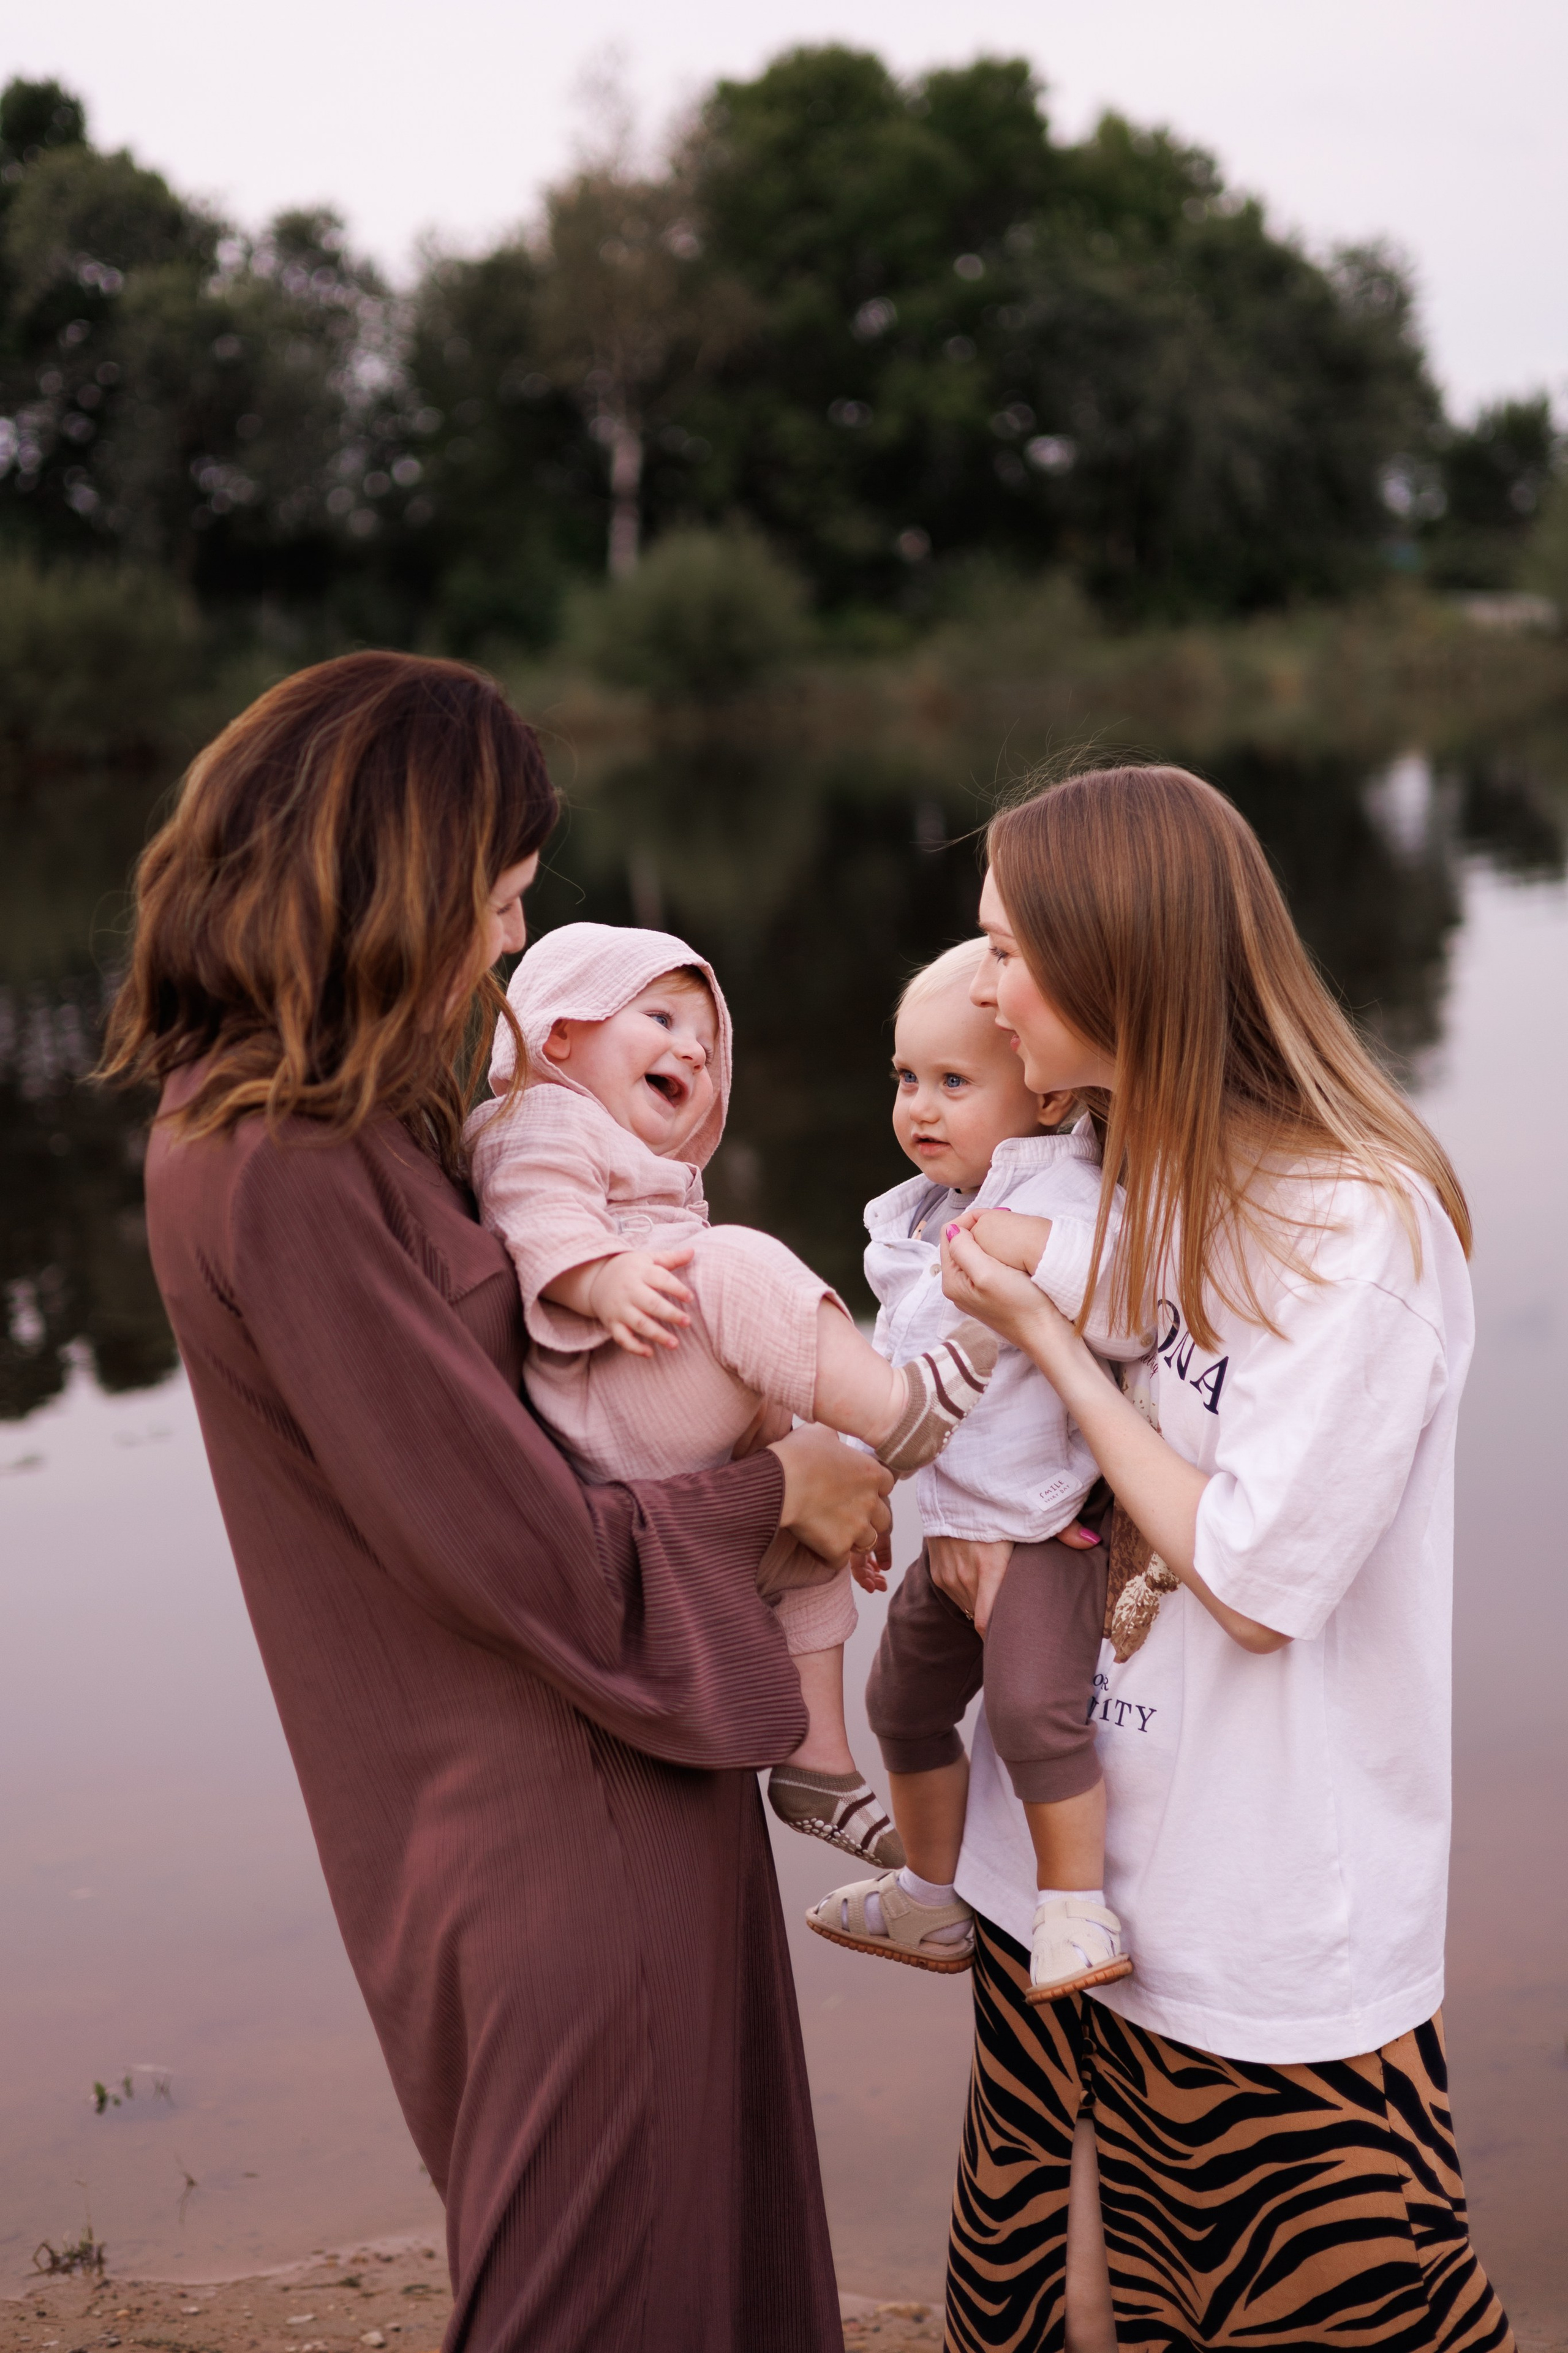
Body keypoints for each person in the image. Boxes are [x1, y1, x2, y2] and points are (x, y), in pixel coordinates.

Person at [99, 651, 894, 2353]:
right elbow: (515, 1543)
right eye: (504, 900)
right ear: (396, 878)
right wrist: (789, 1491)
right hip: (549, 1825)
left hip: (588, 1766)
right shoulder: (279, 1169)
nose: (512, 949)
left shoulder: (329, 1126)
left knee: (691, 2267)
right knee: (596, 2297)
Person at [930, 766, 1515, 2352]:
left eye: (1010, 946)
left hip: (1261, 1929)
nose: (982, 983)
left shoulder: (1357, 1227)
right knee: (1026, 2302)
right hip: (1059, 1877)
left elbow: (1255, 1587)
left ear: (1123, 956)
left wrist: (1049, 1342)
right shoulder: (1095, 1173)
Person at [467, 920, 1000, 1871]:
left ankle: (818, 1761)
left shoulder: (658, 1171)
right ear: (558, 1036)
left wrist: (802, 1452)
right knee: (734, 1261)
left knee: (802, 1539)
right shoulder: (539, 1118)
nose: (691, 1049)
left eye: (707, 1046)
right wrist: (598, 1281)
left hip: (657, 1399)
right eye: (661, 1016)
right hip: (601, 1388)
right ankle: (896, 1409)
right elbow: (535, 1208)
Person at [805, 938, 1140, 1993]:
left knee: (1033, 1710)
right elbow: (899, 1371)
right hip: (951, 1516)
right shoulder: (917, 1216)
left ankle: (1078, 1909)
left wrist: (1031, 1244)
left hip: (1045, 1523)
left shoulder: (1067, 1193)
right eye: (907, 1078)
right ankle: (933, 1895)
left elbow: (1132, 1295)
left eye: (955, 1081)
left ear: (1042, 1100)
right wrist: (862, 1483)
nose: (920, 1106)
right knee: (899, 1701)